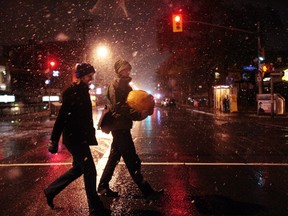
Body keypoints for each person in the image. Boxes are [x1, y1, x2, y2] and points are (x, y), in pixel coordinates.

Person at [44, 63, 111, 216]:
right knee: (90, 170)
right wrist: (53, 140)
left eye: (92, 75)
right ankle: (95, 207)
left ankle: (50, 191)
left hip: (80, 137)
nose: (92, 78)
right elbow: (62, 117)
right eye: (89, 76)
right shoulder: (73, 92)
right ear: (81, 75)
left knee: (79, 169)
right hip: (75, 138)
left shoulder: (82, 91)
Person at [97, 59, 164, 200]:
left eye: (128, 69)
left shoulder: (127, 87)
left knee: (113, 158)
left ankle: (103, 186)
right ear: (119, 71)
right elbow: (119, 107)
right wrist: (138, 114)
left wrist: (144, 111)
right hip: (119, 127)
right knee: (132, 160)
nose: (127, 71)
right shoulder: (115, 85)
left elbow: (132, 106)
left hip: (123, 126)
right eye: (124, 69)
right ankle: (147, 191)